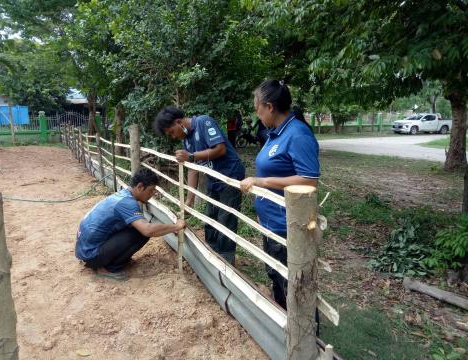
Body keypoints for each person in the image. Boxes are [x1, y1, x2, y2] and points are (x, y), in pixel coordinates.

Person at [240, 80, 320, 309]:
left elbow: (309, 179)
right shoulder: (276, 133)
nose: (257, 114)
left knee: (293, 287)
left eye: (257, 109)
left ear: (269, 107)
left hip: (288, 226)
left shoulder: (297, 134)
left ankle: (302, 338)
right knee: (277, 278)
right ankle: (283, 328)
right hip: (272, 221)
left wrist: (262, 181)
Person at [154, 106, 245, 265]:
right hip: (214, 179)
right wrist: (189, 201)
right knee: (210, 216)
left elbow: (220, 149)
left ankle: (225, 262)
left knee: (226, 219)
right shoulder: (186, 140)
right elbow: (193, 169)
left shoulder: (204, 122)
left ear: (178, 122)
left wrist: (191, 156)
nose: (173, 136)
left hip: (230, 176)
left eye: (172, 132)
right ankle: (210, 253)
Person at [75, 168, 186, 280]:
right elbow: (148, 230)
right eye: (151, 190)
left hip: (84, 248)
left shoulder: (123, 195)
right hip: (91, 255)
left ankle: (111, 260)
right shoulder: (128, 203)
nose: (152, 194)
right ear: (140, 187)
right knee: (141, 233)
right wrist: (176, 226)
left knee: (136, 229)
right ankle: (109, 268)